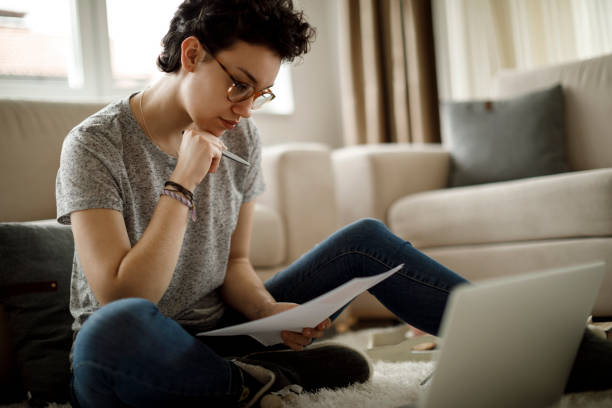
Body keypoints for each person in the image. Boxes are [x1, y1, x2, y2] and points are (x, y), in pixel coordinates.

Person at [55, 0, 469, 406]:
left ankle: (514, 341)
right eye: (240, 85)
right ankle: (255, 379)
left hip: (220, 336)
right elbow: (125, 297)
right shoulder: (95, 144)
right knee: (114, 329)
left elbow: (235, 264)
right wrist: (182, 182)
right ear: (193, 53)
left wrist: (268, 311)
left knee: (364, 241)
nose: (247, 110)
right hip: (129, 349)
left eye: (260, 93)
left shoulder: (239, 136)